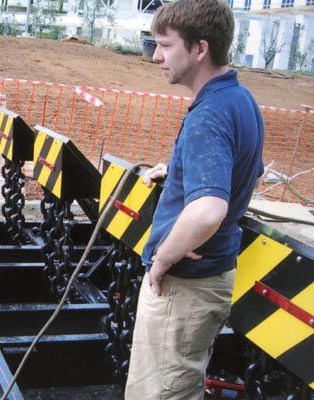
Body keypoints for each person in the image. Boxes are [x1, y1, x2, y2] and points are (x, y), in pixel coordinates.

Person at [125, 0, 264, 399]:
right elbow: (248, 170)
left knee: (161, 392)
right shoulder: (240, 100)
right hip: (210, 282)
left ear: (200, 49)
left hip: (184, 291)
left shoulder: (209, 115)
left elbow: (207, 211)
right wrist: (180, 170)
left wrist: (164, 257)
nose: (156, 56)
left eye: (165, 45)